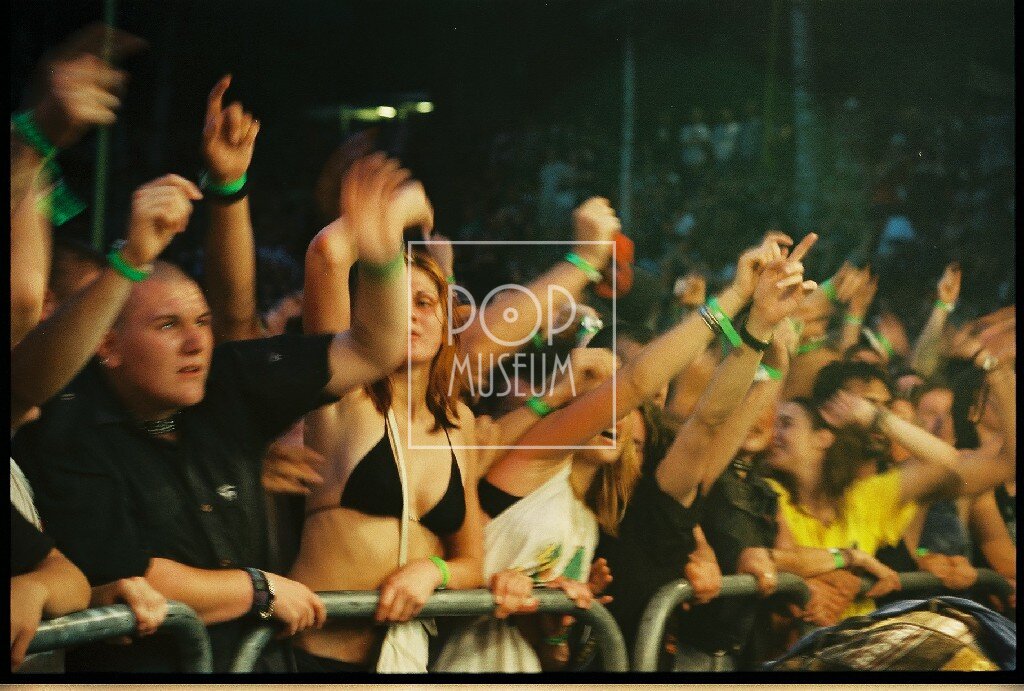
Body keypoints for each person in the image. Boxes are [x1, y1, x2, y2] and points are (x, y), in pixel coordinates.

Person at [14, 152, 414, 672]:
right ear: (107, 345)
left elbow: (373, 349)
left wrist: (382, 261)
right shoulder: (68, 428)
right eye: (167, 325)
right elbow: (129, 574)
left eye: (202, 322)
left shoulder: (227, 380)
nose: (195, 342)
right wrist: (257, 589)